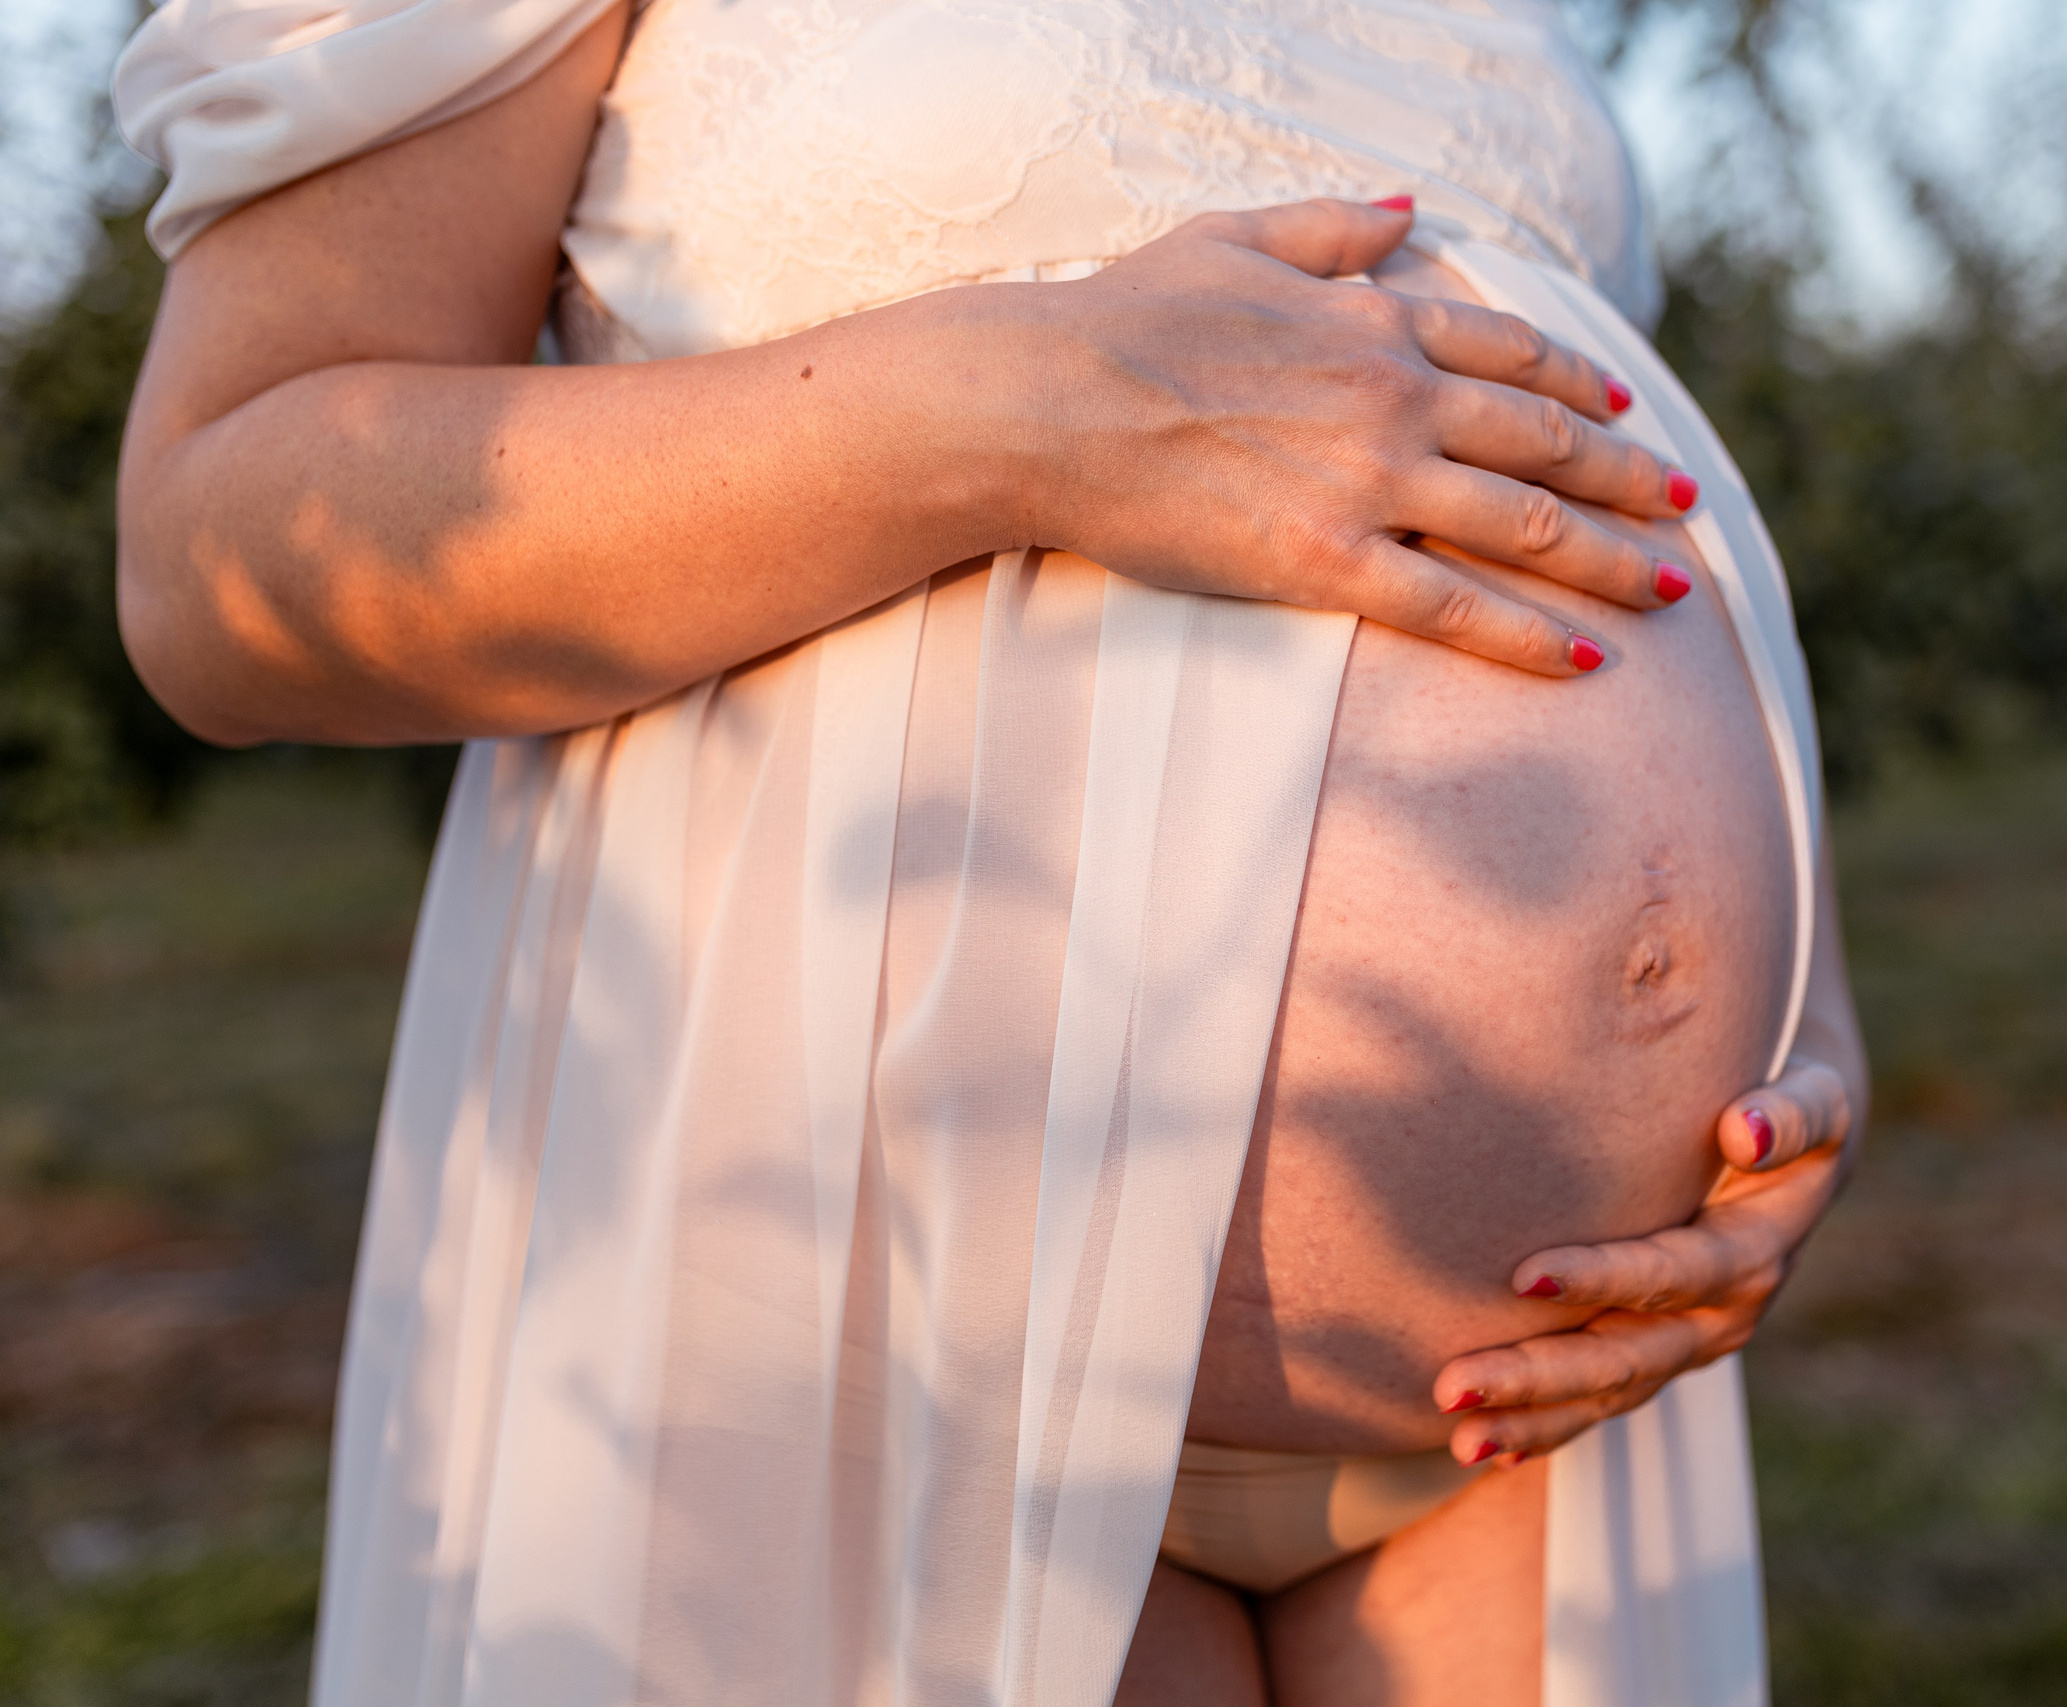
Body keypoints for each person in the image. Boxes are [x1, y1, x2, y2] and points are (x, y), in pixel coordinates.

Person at [111, 1, 1867, 1702]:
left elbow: (1599, 471)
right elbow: (224, 561)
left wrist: (1791, 1005)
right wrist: (1013, 408)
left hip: (1540, 1389)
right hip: (875, 1298)